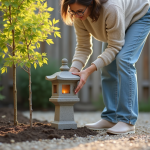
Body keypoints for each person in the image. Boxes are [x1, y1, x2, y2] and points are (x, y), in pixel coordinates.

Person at [60, 0, 150, 134]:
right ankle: (110, 117)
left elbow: (115, 46)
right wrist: (73, 71)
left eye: (80, 11)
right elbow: (83, 47)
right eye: (72, 12)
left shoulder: (111, 8)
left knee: (124, 59)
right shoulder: (79, 15)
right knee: (107, 67)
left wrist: (89, 70)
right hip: (121, 17)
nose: (77, 15)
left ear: (91, 4)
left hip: (140, 15)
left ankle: (128, 120)